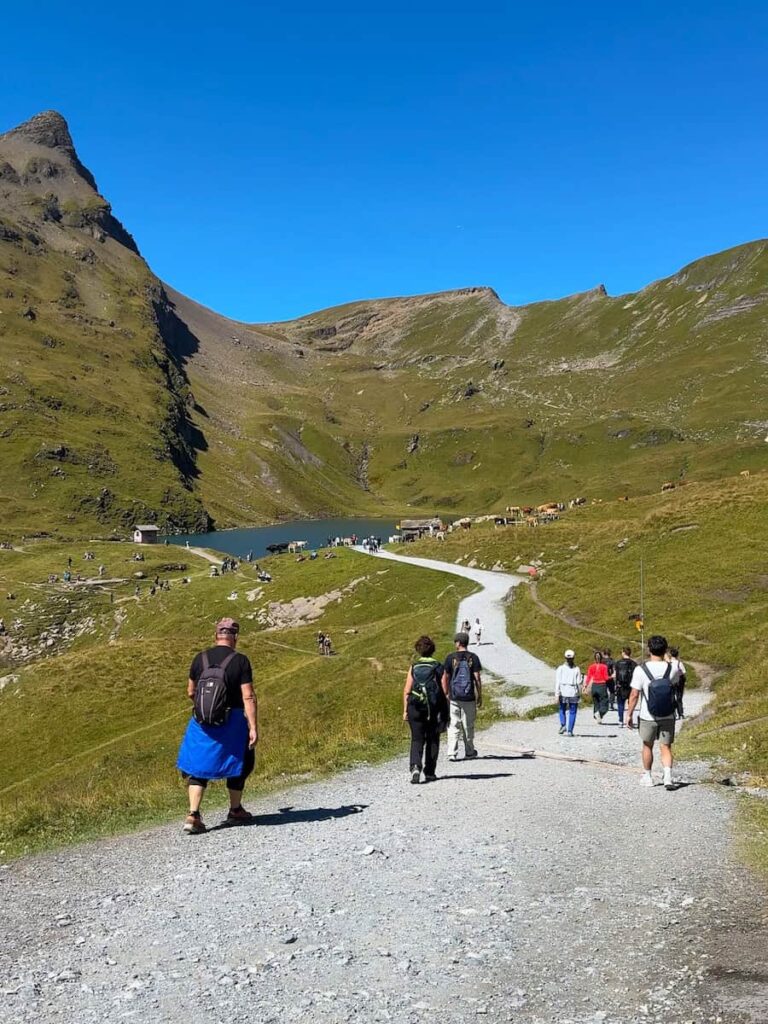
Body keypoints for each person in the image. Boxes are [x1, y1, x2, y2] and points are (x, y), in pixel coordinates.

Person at [176, 617, 259, 833]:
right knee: (241, 759)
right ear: (235, 638)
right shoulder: (241, 661)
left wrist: (206, 709)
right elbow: (248, 696)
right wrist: (253, 727)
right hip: (232, 721)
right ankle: (235, 809)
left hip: (202, 722)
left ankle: (193, 815)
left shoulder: (199, 658)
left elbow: (190, 692)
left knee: (198, 764)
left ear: (216, 636)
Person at [626, 634, 679, 789]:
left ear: (649, 649)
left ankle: (648, 776)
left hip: (647, 715)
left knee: (647, 745)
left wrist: (629, 714)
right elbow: (675, 682)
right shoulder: (672, 668)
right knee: (666, 746)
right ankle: (668, 777)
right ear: (665, 650)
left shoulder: (640, 670)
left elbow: (634, 694)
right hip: (668, 714)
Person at [402, 635, 447, 783]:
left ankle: (415, 766)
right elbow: (445, 692)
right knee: (433, 738)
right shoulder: (439, 667)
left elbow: (407, 691)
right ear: (432, 650)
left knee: (416, 739)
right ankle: (429, 772)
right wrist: (445, 712)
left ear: (418, 650)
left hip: (415, 707)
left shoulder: (414, 667)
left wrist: (405, 710)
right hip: (433, 708)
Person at [442, 631, 482, 761]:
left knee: (453, 724)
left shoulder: (450, 657)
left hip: (454, 697)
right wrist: (479, 694)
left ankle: (452, 753)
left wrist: (446, 693)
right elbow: (477, 677)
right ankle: (469, 751)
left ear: (458, 643)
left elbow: (445, 677)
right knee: (468, 725)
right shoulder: (473, 657)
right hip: (469, 697)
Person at [555, 649, 582, 736]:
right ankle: (570, 730)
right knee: (572, 711)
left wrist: (556, 694)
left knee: (562, 709)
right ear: (573, 658)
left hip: (563, 691)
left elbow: (557, 682)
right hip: (573, 692)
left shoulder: (560, 668)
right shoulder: (577, 669)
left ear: (565, 658)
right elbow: (579, 682)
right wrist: (579, 693)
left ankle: (563, 725)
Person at [613, 646, 636, 728]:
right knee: (631, 703)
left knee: (620, 704)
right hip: (630, 686)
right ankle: (629, 719)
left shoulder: (618, 663)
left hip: (620, 686)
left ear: (623, 653)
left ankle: (620, 720)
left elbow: (615, 675)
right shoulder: (634, 664)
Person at [585, 651, 610, 722]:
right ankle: (600, 713)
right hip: (602, 685)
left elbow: (589, 677)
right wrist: (612, 676)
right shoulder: (604, 667)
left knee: (596, 703)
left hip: (594, 686)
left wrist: (585, 686)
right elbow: (606, 678)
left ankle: (597, 717)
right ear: (601, 658)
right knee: (604, 702)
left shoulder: (591, 667)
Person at [667, 646, 687, 719]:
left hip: (670, 682)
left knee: (671, 698)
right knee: (679, 698)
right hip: (679, 682)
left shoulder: (668, 663)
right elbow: (684, 672)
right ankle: (681, 713)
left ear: (670, 655)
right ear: (677, 655)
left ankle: (673, 713)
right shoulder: (679, 663)